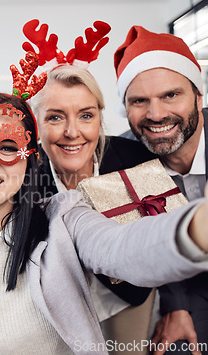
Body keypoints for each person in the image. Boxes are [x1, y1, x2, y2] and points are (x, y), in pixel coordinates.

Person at [0, 91, 208, 355]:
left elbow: (119, 248)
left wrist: (195, 227)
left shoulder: (63, 219)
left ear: (30, 161)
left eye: (8, 147)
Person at [32, 64, 157, 352]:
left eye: (86, 116)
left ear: (100, 118)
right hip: (58, 298)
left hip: (128, 294)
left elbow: (164, 231)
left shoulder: (134, 157)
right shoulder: (23, 175)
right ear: (37, 123)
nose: (72, 132)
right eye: (55, 117)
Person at [115, 26, 208, 354]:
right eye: (139, 100)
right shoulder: (121, 159)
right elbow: (140, 240)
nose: (156, 115)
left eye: (171, 95)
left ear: (199, 96)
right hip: (180, 280)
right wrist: (175, 303)